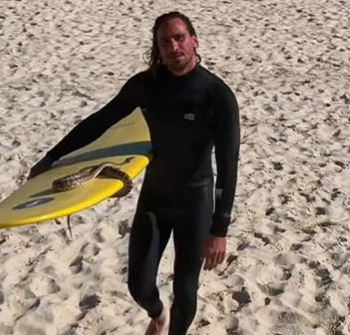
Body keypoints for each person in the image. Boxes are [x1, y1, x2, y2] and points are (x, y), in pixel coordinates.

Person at [28, 11, 240, 335]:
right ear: (158, 47)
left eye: (179, 37)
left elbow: (229, 165)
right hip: (155, 197)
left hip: (195, 202)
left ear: (194, 41)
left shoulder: (217, 97)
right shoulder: (147, 85)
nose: (173, 46)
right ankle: (157, 315)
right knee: (139, 286)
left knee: (185, 290)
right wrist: (52, 157)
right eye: (165, 41)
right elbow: (100, 122)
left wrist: (219, 229)